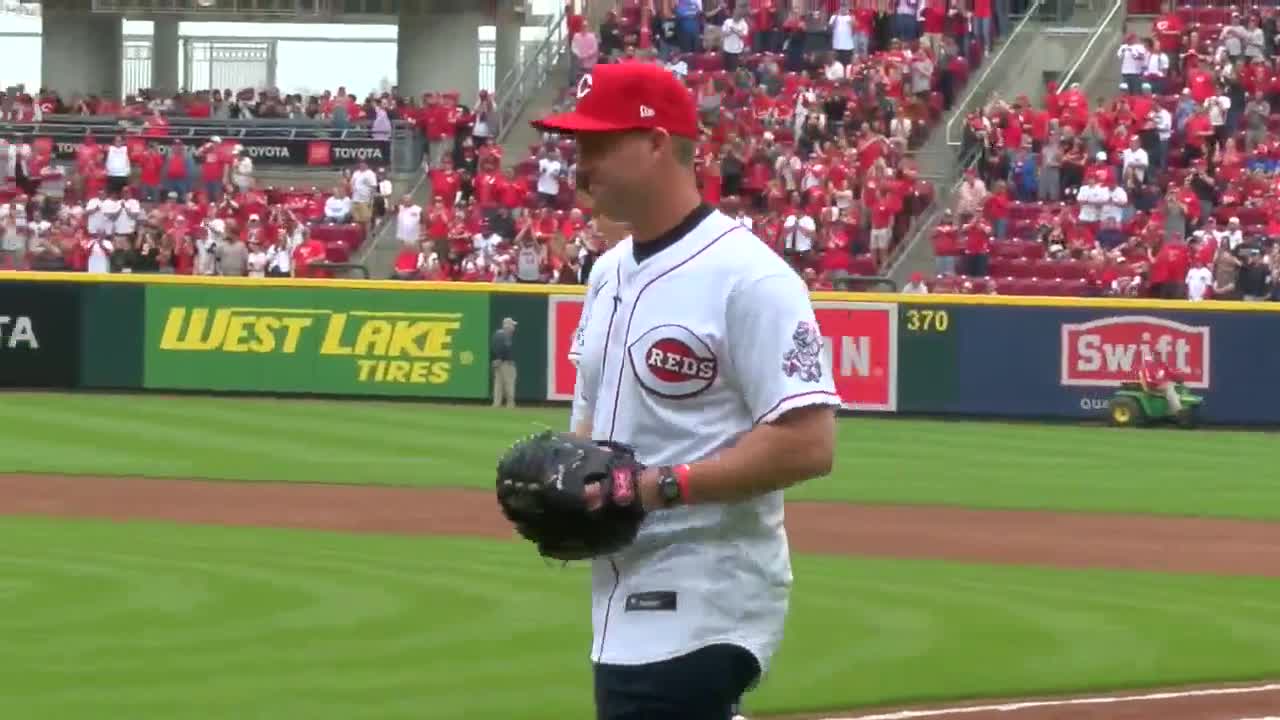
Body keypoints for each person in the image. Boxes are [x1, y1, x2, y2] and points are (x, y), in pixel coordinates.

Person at [531, 61, 840, 720]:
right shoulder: (608, 273)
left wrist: (650, 487)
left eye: (598, 143)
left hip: (709, 587)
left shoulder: (750, 278)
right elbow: (590, 431)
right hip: (622, 583)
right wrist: (569, 482)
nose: (579, 163)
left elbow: (809, 444)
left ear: (656, 142)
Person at [490, 317, 517, 408]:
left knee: (498, 383)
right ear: (508, 326)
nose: (513, 327)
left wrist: (495, 359)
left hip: (497, 362)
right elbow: (505, 348)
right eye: (512, 325)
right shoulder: (506, 335)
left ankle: (496, 403)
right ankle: (510, 404)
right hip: (506, 363)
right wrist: (502, 359)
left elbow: (493, 348)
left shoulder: (496, 334)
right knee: (509, 383)